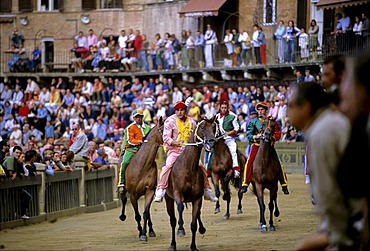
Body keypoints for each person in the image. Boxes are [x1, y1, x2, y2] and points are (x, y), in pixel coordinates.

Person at [290, 82, 365, 250]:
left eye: (291, 106)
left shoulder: (322, 133)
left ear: (305, 107)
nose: (287, 112)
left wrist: (336, 238)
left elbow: (330, 198)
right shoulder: (329, 123)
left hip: (355, 225)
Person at [153, 101, 218, 202]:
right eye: (177, 110)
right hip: (174, 150)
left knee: (201, 167)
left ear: (185, 111)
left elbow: (197, 134)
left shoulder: (192, 122)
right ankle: (161, 189)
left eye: (182, 110)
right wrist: (175, 142)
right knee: (167, 166)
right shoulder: (169, 121)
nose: (179, 112)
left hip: (189, 151)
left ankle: (207, 190)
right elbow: (166, 138)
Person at [240, 102, 289, 194]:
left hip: (269, 146)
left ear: (266, 110)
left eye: (262, 109)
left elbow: (278, 132)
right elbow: (249, 134)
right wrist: (255, 136)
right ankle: (245, 183)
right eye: (259, 110)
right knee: (249, 162)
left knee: (278, 163)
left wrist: (274, 138)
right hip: (257, 145)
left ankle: (284, 184)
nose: (260, 111)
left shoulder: (271, 121)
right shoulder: (253, 122)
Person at [117, 109, 151, 189]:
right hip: (132, 149)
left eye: (139, 117)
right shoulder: (130, 128)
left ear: (142, 117)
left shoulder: (148, 128)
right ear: (134, 118)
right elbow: (130, 140)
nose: (138, 119)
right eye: (136, 117)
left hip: (144, 150)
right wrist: (140, 142)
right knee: (124, 162)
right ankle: (121, 183)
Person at [214, 99, 241, 178]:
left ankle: (236, 170)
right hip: (219, 139)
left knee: (233, 150)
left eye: (225, 108)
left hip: (229, 138)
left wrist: (228, 133)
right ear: (220, 108)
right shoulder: (217, 116)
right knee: (212, 150)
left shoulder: (233, 116)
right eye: (222, 108)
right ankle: (209, 169)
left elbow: (237, 128)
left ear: (228, 108)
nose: (223, 109)